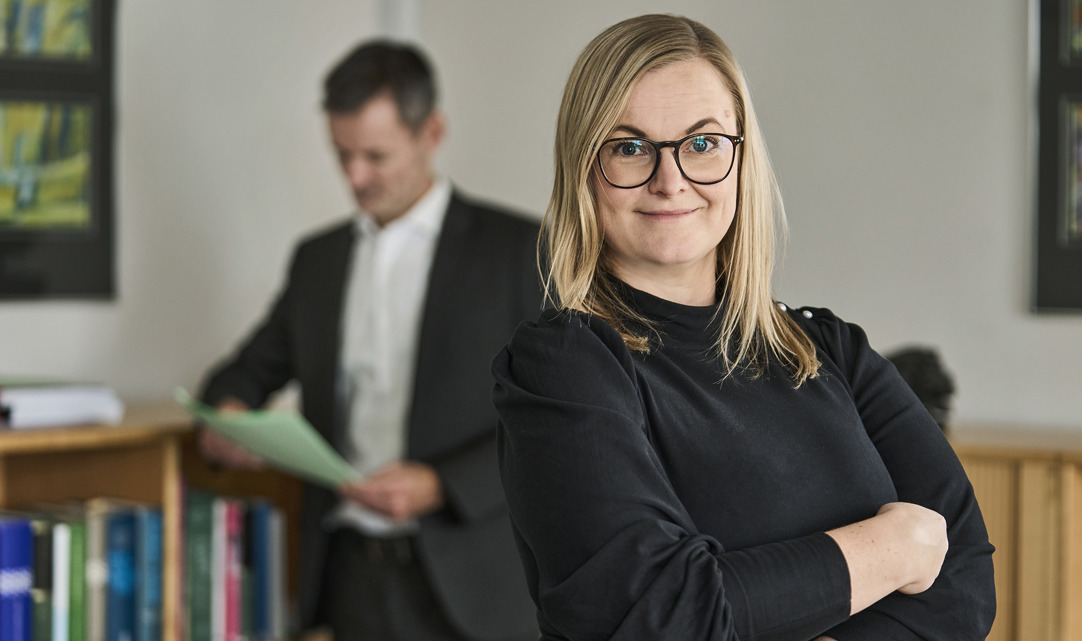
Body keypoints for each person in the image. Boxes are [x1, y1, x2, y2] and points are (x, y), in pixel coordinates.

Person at [492, 14, 995, 641]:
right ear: (583, 168)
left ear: (741, 158)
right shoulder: (562, 366)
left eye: (702, 143)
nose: (670, 180)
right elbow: (659, 617)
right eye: (629, 147)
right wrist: (895, 548)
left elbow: (966, 587)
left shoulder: (831, 350)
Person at [197, 40, 540, 641]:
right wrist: (227, 413)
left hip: (477, 584)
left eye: (376, 156)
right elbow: (246, 371)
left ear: (432, 133)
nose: (355, 177)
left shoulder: (519, 251)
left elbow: (560, 416)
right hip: (347, 576)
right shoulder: (317, 260)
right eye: (342, 155)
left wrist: (442, 484)